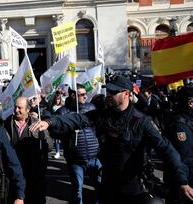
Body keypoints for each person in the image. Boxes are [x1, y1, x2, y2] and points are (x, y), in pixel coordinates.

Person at [30, 76, 193, 203]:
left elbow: (167, 150)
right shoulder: (102, 115)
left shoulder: (141, 122)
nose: (109, 95)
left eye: (114, 92)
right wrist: (50, 122)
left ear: (127, 94)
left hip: (134, 186)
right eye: (108, 91)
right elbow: (76, 120)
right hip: (108, 185)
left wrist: (182, 180)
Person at [55, 84, 101, 204]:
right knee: (77, 191)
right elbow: (56, 131)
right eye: (82, 94)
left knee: (101, 187)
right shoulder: (63, 112)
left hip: (94, 157)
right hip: (75, 159)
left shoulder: (91, 108)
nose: (85, 97)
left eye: (86, 94)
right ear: (73, 95)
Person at [3, 96, 52, 204]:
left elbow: (49, 146)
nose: (16, 110)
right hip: (14, 173)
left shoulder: (38, 123)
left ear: (28, 109)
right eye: (15, 107)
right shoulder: (6, 123)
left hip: (34, 173)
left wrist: (42, 139)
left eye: (20, 108)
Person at [164, 86, 193, 203]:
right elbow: (184, 157)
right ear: (190, 103)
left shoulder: (188, 120)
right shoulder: (179, 125)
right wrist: (183, 182)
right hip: (186, 182)